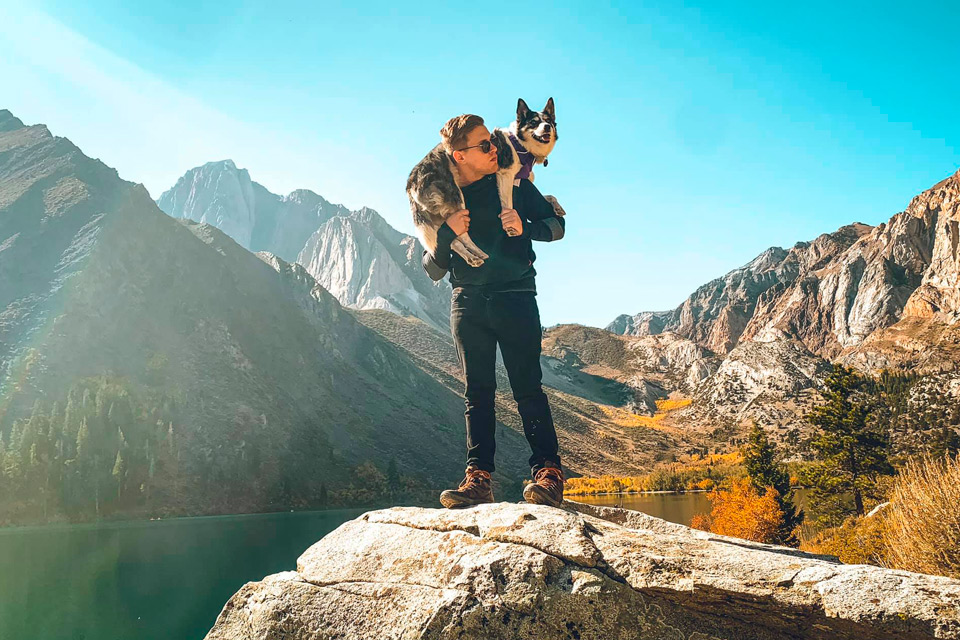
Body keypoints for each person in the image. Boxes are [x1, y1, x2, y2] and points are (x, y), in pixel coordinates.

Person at [421, 114, 567, 508]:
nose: (495, 149)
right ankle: (478, 480)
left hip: (516, 295)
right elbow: (433, 268)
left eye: (493, 142)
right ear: (459, 156)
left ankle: (549, 475)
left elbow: (557, 226)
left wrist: (525, 225)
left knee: (527, 388)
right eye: (484, 145)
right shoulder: (443, 200)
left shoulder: (513, 184)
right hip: (467, 304)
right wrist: (448, 231)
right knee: (477, 394)